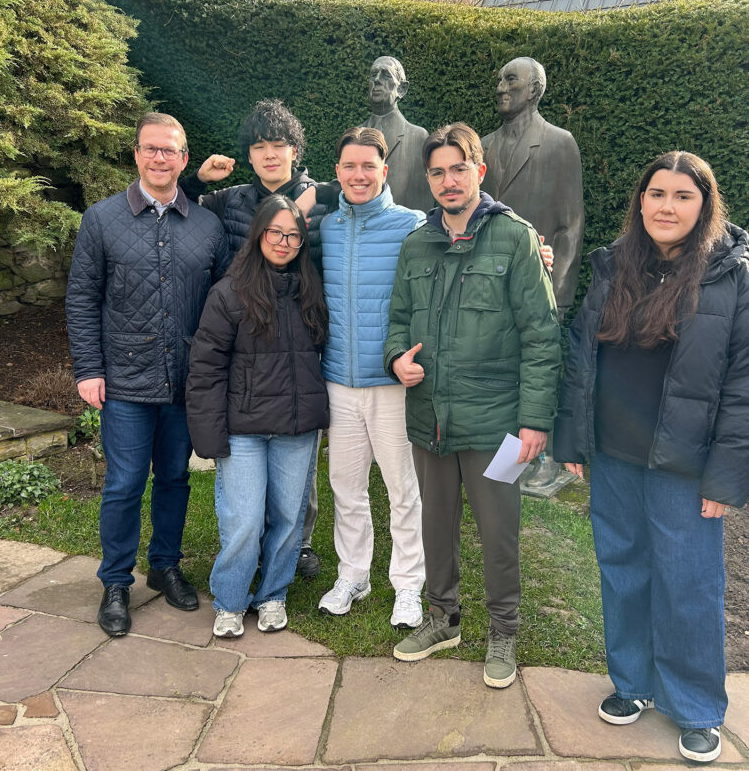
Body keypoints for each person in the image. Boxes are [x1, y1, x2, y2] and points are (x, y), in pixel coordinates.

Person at [553, 151, 749, 762]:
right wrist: (573, 439)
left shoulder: (735, 281)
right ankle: (633, 684)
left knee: (689, 585)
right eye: (657, 194)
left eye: (683, 196)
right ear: (641, 201)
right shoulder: (612, 268)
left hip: (685, 467)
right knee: (622, 570)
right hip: (616, 457)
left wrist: (726, 478)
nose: (667, 206)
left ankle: (696, 706)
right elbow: (580, 356)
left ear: (704, 206)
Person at [385, 122, 562, 688]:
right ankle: (443, 618)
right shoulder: (416, 244)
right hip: (430, 420)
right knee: (436, 524)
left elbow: (541, 334)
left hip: (502, 427)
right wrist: (396, 361)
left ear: (479, 172)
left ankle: (503, 630)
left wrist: (535, 421)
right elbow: (396, 322)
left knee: (499, 529)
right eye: (436, 172)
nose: (447, 181)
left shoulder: (515, 238)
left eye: (458, 169)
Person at [66, 112, 231, 637]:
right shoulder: (101, 219)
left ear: (185, 160)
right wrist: (88, 369)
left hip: (186, 383)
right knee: (123, 484)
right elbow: (82, 298)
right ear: (136, 155)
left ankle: (164, 566)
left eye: (170, 150)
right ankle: (116, 581)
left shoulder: (206, 226)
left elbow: (223, 300)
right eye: (150, 149)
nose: (160, 158)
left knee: (176, 478)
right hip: (125, 383)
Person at [183, 98, 326, 579]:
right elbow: (175, 209)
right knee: (249, 458)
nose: (269, 154)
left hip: (300, 337)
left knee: (297, 450)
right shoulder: (230, 200)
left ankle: (296, 544)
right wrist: (197, 180)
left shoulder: (321, 196)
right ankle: (251, 547)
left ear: (294, 149)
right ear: (249, 155)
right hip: (244, 338)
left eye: (278, 145)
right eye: (259, 146)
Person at [186, 195, 330, 638]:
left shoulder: (310, 289)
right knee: (244, 520)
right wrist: (209, 437)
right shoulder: (229, 292)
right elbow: (205, 368)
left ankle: (272, 594)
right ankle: (230, 600)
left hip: (296, 427)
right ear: (259, 235)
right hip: (244, 429)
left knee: (288, 520)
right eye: (276, 233)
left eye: (293, 235)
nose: (284, 242)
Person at [314, 126, 428, 629]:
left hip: (390, 384)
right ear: (336, 171)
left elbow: (469, 230)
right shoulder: (327, 225)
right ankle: (353, 574)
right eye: (349, 166)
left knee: (402, 489)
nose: (358, 175)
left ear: (385, 170)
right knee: (346, 486)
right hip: (337, 381)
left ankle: (408, 585)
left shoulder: (412, 224)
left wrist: (534, 242)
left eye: (369, 166)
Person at [481, 57, 584, 319]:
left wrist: (558, 298)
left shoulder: (560, 143)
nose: (501, 88)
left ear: (534, 90)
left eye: (511, 79)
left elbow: (571, 226)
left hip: (535, 293)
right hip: (481, 294)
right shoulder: (481, 146)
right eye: (499, 80)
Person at [360, 56, 433, 212]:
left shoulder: (417, 137)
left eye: (386, 75)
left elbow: (422, 201)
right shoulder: (354, 136)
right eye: (373, 75)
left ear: (402, 89)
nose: (377, 80)